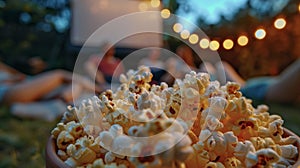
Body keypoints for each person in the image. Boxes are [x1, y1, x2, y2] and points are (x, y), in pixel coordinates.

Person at [0, 61, 101, 121]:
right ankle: (100, 88)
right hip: (8, 91)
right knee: (59, 75)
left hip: (19, 85)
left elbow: (13, 72)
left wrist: (15, 77)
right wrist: (12, 79)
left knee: (71, 84)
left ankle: (63, 100)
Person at [214, 59, 300, 104]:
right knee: (220, 65)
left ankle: (211, 76)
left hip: (258, 87)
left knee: (219, 65)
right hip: (255, 85)